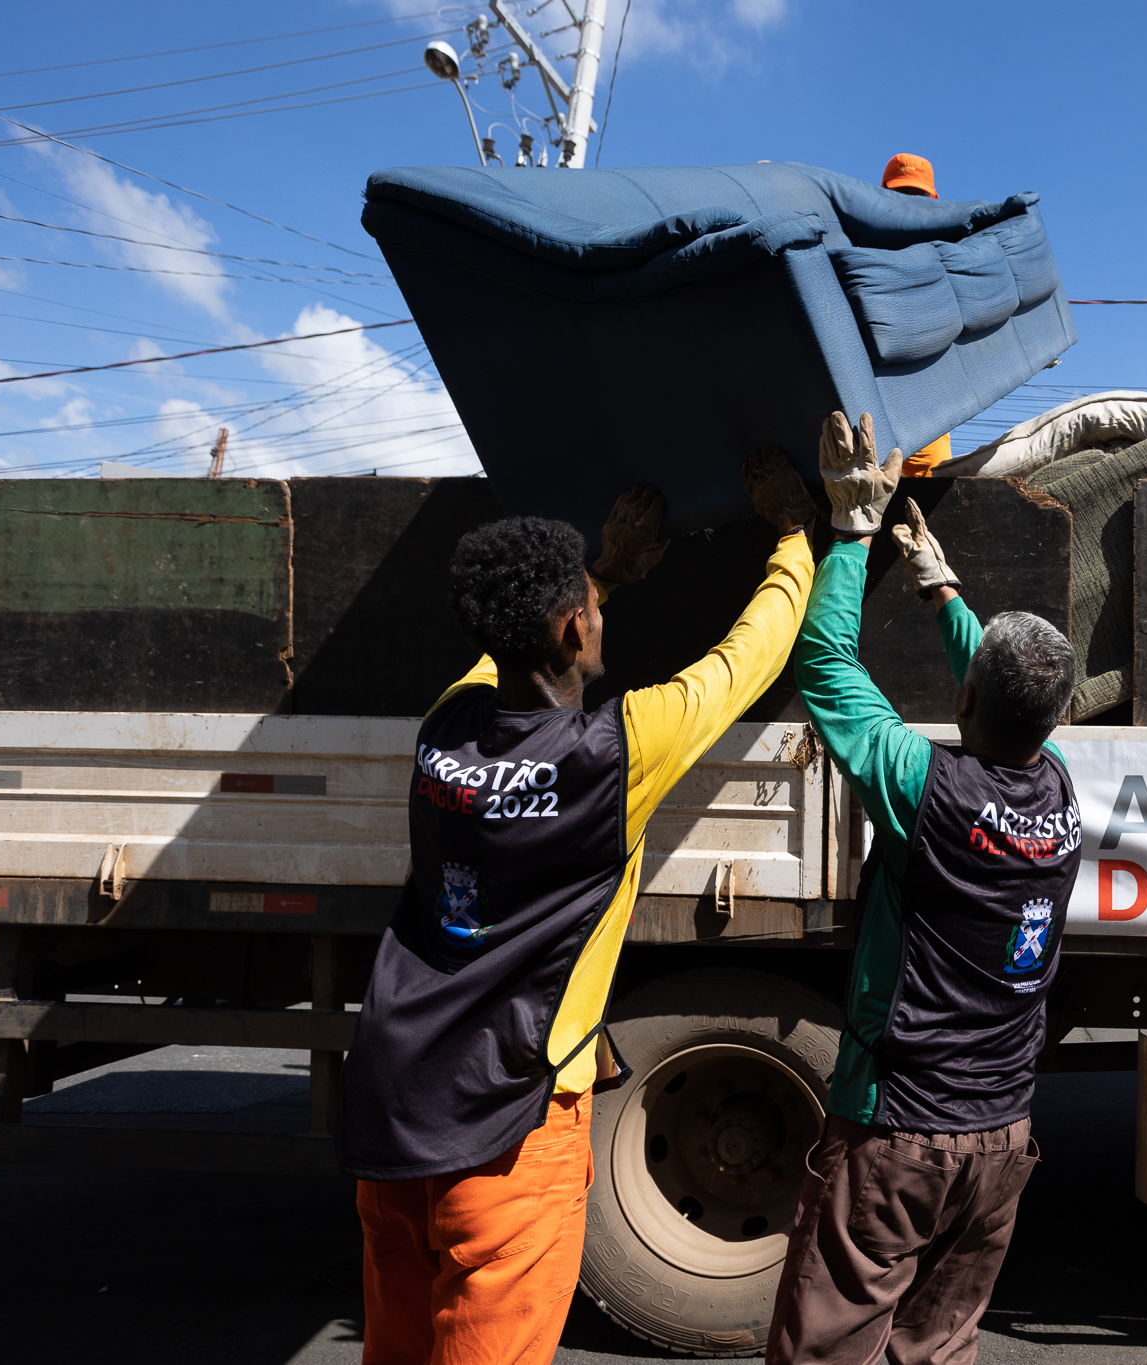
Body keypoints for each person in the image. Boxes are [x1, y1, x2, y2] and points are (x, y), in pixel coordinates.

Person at [340, 449, 818, 1365]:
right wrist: (796, 537)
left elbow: (505, 648)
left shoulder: (445, 725)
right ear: (571, 628)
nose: (598, 618)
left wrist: (605, 574)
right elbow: (744, 662)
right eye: (589, 610)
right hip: (508, 1133)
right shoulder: (615, 754)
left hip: (396, 1112)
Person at [767, 411, 1082, 1365]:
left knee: (828, 1347)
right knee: (936, 1351)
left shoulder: (925, 789)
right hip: (1001, 1139)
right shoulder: (1058, 787)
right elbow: (1006, 694)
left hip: (900, 1129)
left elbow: (826, 663)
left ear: (965, 699)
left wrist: (852, 529)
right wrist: (943, 589)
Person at [882, 153, 954, 478]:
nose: (909, 201)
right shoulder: (861, 242)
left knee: (931, 483)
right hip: (878, 391)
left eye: (917, 194)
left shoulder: (946, 249)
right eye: (901, 193)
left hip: (929, 397)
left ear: (932, 200)